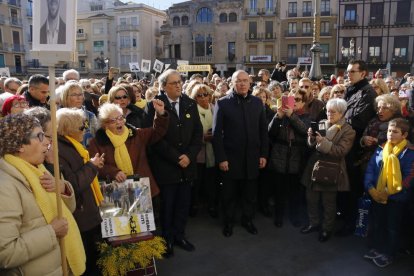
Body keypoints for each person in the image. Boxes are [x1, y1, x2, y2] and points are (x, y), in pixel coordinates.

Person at [0, 114, 85, 275]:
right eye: (40, 136)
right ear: (20, 145)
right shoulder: (5, 187)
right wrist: (51, 232)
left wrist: (63, 189)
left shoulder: (39, 170)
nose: (47, 142)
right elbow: (5, 253)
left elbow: (68, 212)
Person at [144, 69, 202, 258]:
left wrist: (189, 156)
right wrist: (177, 157)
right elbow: (152, 138)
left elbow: (197, 134)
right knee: (168, 205)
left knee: (183, 204)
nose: (178, 85)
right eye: (173, 83)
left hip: (187, 165)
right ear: (163, 86)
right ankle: (167, 238)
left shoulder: (190, 104)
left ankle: (179, 235)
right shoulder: (153, 106)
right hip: (167, 167)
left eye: (180, 81)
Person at [213, 70, 268, 237]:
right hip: (230, 159)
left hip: (252, 158)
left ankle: (247, 220)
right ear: (232, 83)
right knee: (229, 195)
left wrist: (263, 154)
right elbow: (217, 134)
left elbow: (263, 132)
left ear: (250, 83)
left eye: (245, 80)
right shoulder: (222, 103)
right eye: (239, 81)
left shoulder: (258, 103)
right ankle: (228, 222)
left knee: (249, 194)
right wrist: (221, 158)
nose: (243, 84)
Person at [56, 108, 105, 276]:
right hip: (81, 214)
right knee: (89, 261)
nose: (85, 131)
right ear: (69, 129)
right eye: (81, 127)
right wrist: (92, 166)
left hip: (87, 211)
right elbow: (73, 184)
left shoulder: (72, 144)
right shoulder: (60, 150)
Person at [88, 101, 168, 200]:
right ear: (105, 125)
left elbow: (157, 132)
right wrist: (114, 172)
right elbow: (96, 166)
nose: (119, 122)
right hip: (116, 193)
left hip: (142, 189)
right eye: (113, 120)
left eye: (121, 118)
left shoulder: (135, 134)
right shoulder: (96, 142)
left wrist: (160, 114)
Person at [301, 99, 356, 242]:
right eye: (328, 111)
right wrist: (311, 137)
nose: (329, 114)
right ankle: (313, 223)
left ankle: (327, 228)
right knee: (311, 198)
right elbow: (311, 145)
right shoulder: (322, 123)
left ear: (342, 113)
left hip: (331, 169)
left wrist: (322, 142)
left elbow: (341, 151)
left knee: (328, 202)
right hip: (314, 167)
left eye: (333, 112)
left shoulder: (348, 130)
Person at [363, 118, 414, 268]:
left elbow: (409, 177)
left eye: (395, 132)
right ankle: (378, 248)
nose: (390, 134)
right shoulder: (381, 148)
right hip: (377, 195)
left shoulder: (409, 153)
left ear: (404, 135)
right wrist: (370, 187)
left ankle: (389, 253)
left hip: (396, 199)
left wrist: (390, 192)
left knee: (393, 227)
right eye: (389, 131)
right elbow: (371, 168)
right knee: (379, 223)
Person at [337, 59, 376, 236]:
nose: (348, 74)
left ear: (363, 73)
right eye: (347, 71)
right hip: (345, 144)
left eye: (352, 71)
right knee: (343, 184)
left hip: (355, 147)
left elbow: (358, 121)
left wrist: (338, 121)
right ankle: (344, 215)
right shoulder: (352, 90)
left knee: (352, 186)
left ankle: (350, 222)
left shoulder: (367, 93)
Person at [268, 88, 310, 228]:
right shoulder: (282, 115)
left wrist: (292, 115)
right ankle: (278, 216)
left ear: (303, 103)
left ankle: (294, 216)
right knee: (279, 190)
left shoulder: (306, 116)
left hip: (296, 158)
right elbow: (270, 133)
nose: (294, 102)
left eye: (297, 100)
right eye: (292, 99)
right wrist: (278, 117)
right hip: (280, 155)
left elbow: (305, 131)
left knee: (294, 192)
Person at [188, 84, 218, 218]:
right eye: (199, 95)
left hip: (213, 152)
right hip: (197, 153)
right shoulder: (192, 110)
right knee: (196, 182)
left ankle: (212, 205)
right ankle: (194, 205)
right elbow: (188, 133)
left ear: (210, 95)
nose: (203, 97)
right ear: (195, 98)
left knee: (211, 182)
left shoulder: (215, 108)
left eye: (205, 94)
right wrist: (202, 137)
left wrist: (215, 135)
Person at [60, 81, 98, 147]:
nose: (78, 97)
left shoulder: (90, 116)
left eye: (80, 94)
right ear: (65, 97)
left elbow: (97, 139)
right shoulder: (59, 116)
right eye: (74, 95)